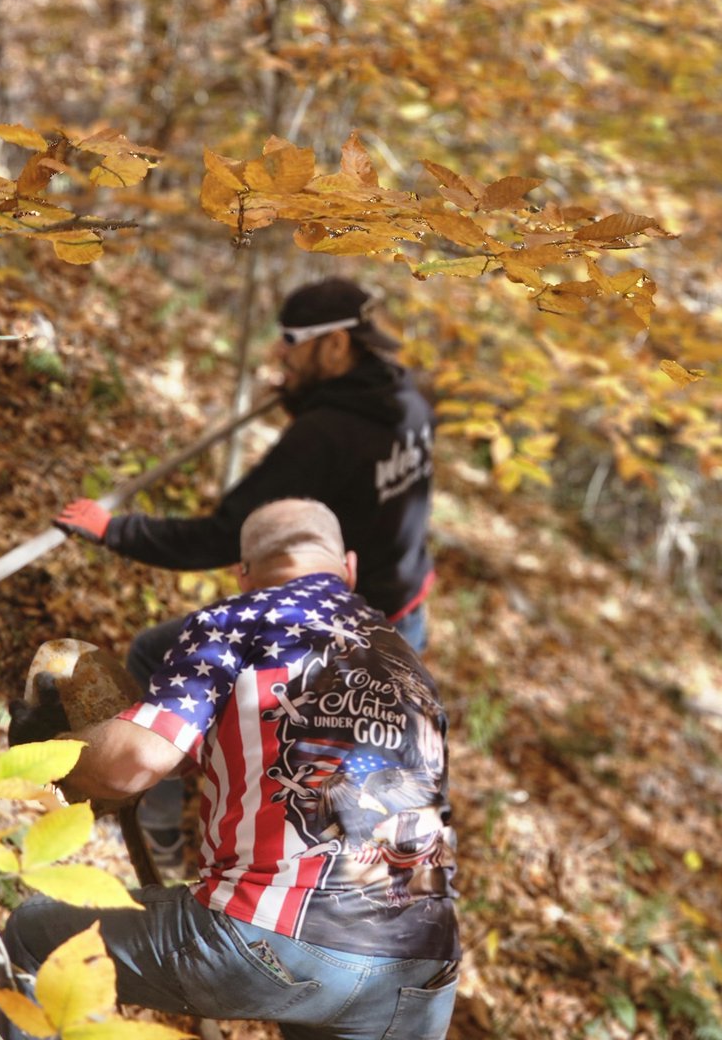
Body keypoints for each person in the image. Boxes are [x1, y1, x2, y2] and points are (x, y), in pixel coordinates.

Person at [1, 499, 459, 1040]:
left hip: (270, 933)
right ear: (350, 567)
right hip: (420, 969)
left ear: (241, 572)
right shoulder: (409, 662)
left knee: (33, 935)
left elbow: (136, 761)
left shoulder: (239, 621)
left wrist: (51, 750)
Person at [55, 277, 436, 870]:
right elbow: (357, 469)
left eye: (291, 340)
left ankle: (149, 825)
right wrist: (306, 400)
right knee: (344, 762)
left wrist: (116, 530)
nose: (279, 352)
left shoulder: (324, 434)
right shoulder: (408, 399)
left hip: (334, 623)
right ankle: (329, 889)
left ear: (335, 346)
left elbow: (225, 532)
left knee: (157, 653)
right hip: (404, 618)